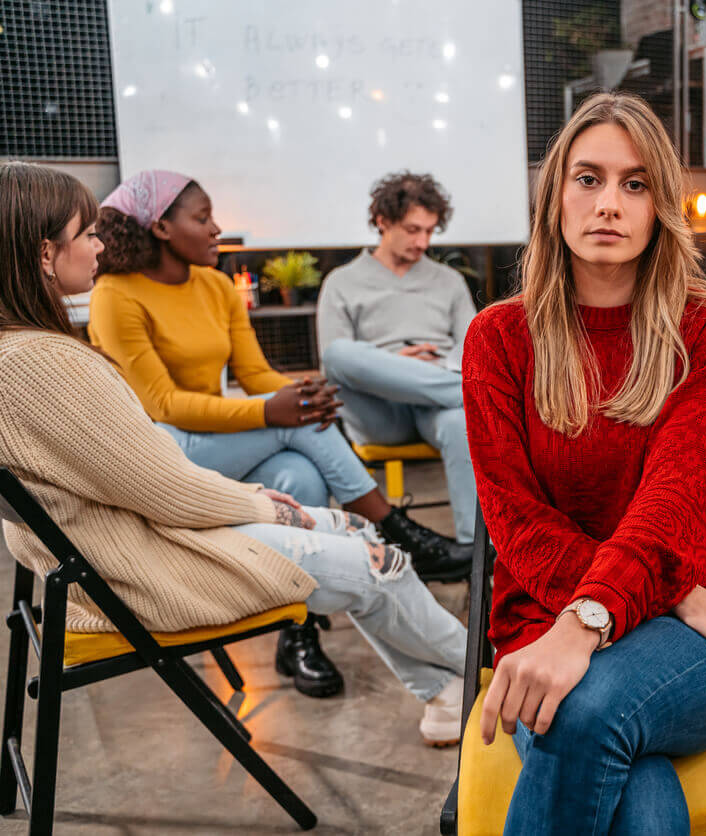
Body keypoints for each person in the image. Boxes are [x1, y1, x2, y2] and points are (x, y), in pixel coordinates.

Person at [0, 160, 467, 746]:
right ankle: (488, 674)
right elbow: (167, 485)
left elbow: (235, 393)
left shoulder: (21, 352)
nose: (97, 244)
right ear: (46, 255)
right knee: (383, 561)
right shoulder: (50, 360)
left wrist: (290, 407)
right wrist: (264, 501)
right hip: (153, 566)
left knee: (303, 474)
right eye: (84, 234)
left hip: (133, 540)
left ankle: (444, 693)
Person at [461, 93, 706, 835]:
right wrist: (671, 594)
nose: (609, 203)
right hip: (577, 613)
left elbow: (673, 507)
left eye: (635, 184)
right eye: (588, 178)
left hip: (702, 642)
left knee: (587, 708)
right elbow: (516, 521)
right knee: (636, 789)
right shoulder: (498, 339)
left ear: (662, 203)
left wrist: (589, 623)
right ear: (554, 198)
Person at [316, 172, 477, 557]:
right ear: (383, 222)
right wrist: (392, 365)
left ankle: (477, 559)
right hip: (379, 410)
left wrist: (437, 369)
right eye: (412, 229)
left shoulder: (449, 281)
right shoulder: (341, 282)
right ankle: (476, 394)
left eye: (430, 231)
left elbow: (474, 350)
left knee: (460, 419)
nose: (423, 242)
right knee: (340, 353)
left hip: (438, 405)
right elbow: (334, 363)